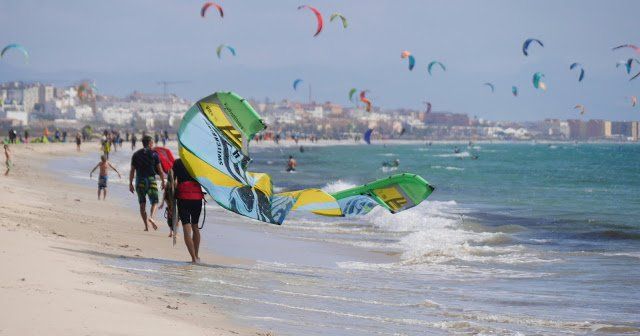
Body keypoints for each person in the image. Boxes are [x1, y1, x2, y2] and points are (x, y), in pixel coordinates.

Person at [171, 158, 204, 263]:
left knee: (186, 227)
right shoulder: (197, 161)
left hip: (183, 197)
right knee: (195, 226)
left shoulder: (177, 162)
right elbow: (204, 180)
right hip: (197, 198)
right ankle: (197, 256)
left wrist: (171, 200)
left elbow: (172, 182)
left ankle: (193, 258)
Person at [129, 135, 165, 231]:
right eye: (152, 143)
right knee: (155, 202)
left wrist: (130, 183)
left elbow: (132, 171)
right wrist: (163, 181)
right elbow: (160, 170)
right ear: (149, 143)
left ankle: (146, 226)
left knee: (142, 203)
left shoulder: (136, 155)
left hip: (140, 181)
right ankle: (152, 217)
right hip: (151, 180)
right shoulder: (154, 154)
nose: (153, 144)